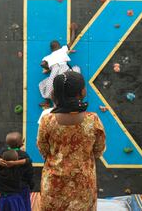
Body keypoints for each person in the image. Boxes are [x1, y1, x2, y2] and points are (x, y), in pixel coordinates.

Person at [37, 71, 106, 211]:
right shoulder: (93, 120)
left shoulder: (47, 121)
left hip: (53, 186)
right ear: (82, 92)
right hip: (84, 186)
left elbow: (43, 149)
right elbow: (99, 150)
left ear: (56, 94)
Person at [39, 23, 79, 108]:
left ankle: (47, 100)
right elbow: (72, 41)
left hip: (55, 73)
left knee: (44, 84)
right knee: (76, 71)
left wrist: (48, 67)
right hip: (65, 71)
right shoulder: (63, 50)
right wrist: (73, 30)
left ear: (51, 49)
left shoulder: (48, 57)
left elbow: (42, 63)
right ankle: (74, 97)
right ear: (59, 46)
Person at [0, 132, 34, 211]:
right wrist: (31, 185)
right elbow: (29, 170)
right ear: (22, 142)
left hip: (4, 193)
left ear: (7, 143)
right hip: (21, 188)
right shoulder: (23, 155)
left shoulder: (1, 155)